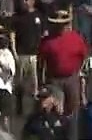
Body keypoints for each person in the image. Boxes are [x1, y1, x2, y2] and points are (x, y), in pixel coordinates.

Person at [37, 10, 88, 139]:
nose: (60, 26)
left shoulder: (76, 38)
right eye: (57, 24)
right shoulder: (47, 41)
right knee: (56, 111)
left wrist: (78, 74)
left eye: (63, 23)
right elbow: (41, 63)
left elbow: (84, 57)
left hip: (72, 78)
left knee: (73, 112)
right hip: (54, 80)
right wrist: (41, 83)